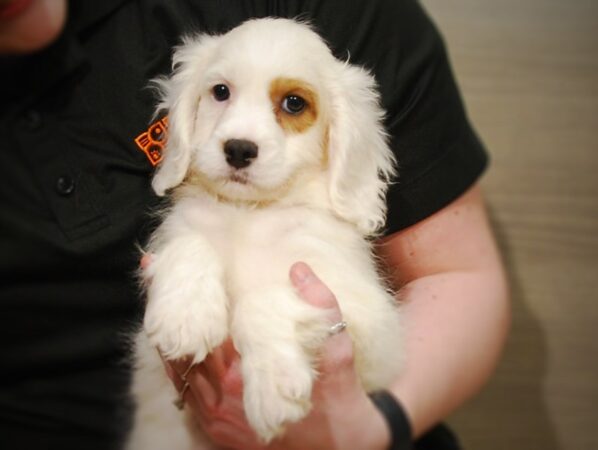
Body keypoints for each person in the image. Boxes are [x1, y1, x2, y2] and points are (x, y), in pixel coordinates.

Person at [0, 0, 510, 449]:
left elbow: (378, 333)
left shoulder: (325, 226)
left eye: (293, 104)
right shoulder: (189, 228)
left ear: (341, 136)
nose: (241, 136)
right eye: (220, 92)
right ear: (187, 114)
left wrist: (268, 323)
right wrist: (186, 266)